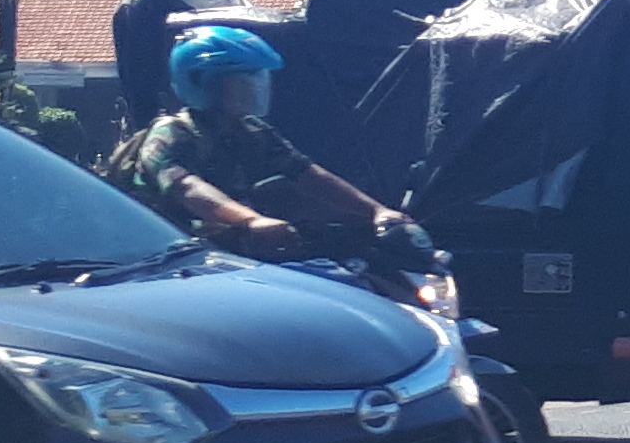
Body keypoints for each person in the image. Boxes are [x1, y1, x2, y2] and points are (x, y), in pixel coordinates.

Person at [122, 25, 424, 265]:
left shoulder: (252, 131)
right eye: (244, 79)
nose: (257, 86)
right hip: (171, 261)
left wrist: (377, 212)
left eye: (259, 77)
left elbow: (309, 175)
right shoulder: (170, 133)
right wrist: (252, 221)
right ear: (204, 82)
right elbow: (188, 188)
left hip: (238, 255)